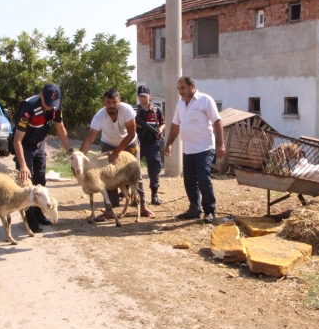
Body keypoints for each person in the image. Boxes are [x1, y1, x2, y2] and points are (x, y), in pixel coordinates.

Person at [79, 88, 155, 221]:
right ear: (104, 102)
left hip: (129, 142)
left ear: (119, 101)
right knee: (106, 174)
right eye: (108, 102)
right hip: (108, 143)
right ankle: (110, 210)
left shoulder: (127, 110)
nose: (111, 106)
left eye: (114, 102)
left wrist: (117, 152)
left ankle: (142, 206)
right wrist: (79, 158)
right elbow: (90, 138)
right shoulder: (99, 116)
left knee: (135, 172)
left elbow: (131, 133)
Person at [12, 83, 73, 233]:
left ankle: (39, 215)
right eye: (48, 103)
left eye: (54, 104)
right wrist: (23, 165)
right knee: (28, 184)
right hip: (24, 145)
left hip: (39, 144)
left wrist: (70, 151)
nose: (51, 107)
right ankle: (30, 219)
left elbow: (60, 128)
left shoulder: (55, 107)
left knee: (40, 180)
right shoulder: (28, 108)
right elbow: (17, 140)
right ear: (41, 96)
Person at [164, 76, 226, 223]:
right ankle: (194, 209)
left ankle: (209, 211)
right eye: (178, 89)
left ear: (192, 86)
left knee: (204, 179)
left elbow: (217, 122)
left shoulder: (205, 100)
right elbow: (175, 126)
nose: (180, 91)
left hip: (204, 148)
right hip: (188, 149)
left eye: (183, 88)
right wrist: (169, 143)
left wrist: (220, 144)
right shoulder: (180, 104)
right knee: (189, 180)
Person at [134, 85, 165, 206]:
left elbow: (163, 123)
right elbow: (126, 123)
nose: (142, 99)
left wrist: (160, 130)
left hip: (152, 143)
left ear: (149, 96)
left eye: (145, 96)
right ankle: (132, 194)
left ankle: (154, 195)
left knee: (154, 169)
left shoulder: (156, 110)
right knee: (132, 168)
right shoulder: (134, 110)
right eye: (140, 96)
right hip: (138, 143)